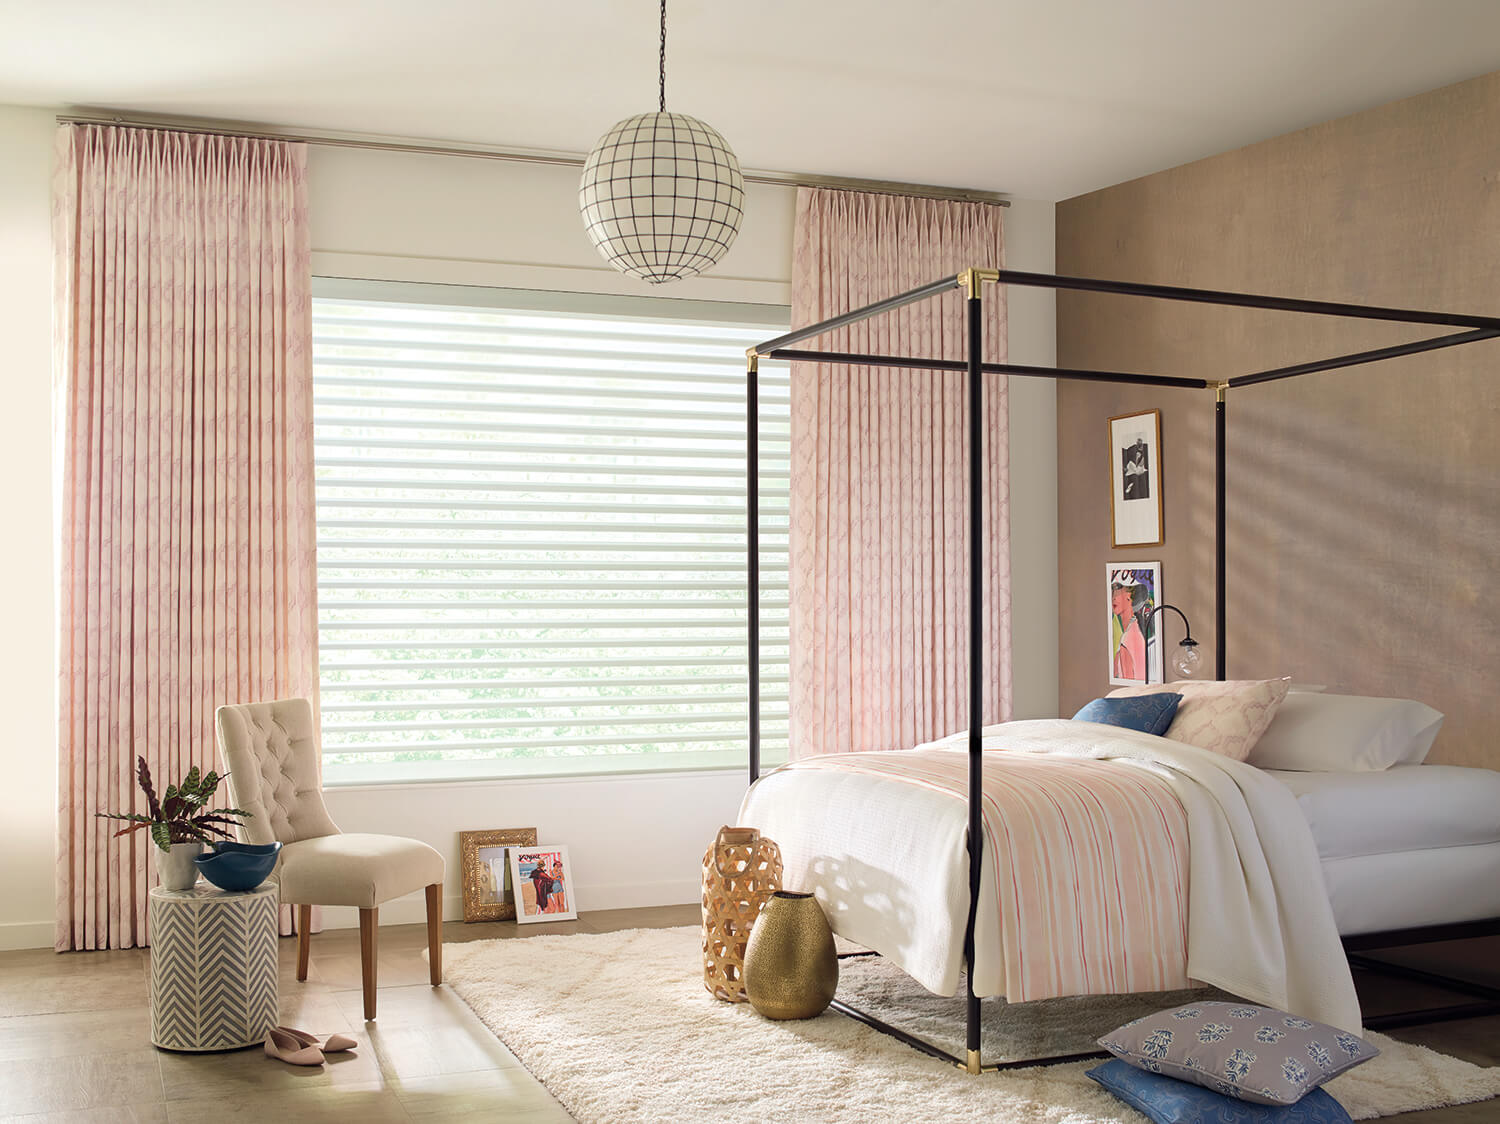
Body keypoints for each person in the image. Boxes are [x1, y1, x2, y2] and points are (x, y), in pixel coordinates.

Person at [1111, 578, 1148, 681]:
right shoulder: (1133, 631)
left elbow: (1128, 686)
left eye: (1117, 594)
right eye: (1112, 593)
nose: (1113, 598)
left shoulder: (1127, 641)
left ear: (1130, 598)